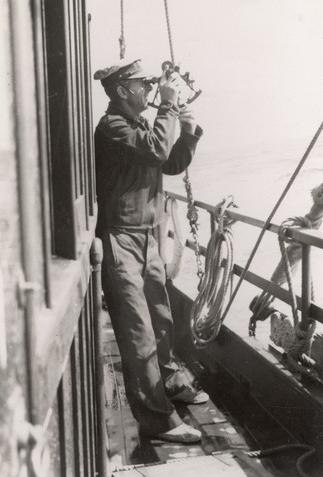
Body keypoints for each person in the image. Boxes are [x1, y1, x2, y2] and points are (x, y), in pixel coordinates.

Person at [94, 58, 208, 443]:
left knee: (160, 320)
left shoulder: (137, 125)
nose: (149, 89)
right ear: (123, 90)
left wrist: (188, 132)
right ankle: (157, 421)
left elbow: (169, 162)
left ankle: (171, 385)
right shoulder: (112, 128)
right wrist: (168, 106)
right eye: (143, 85)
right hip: (120, 238)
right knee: (138, 331)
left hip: (145, 237)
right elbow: (158, 149)